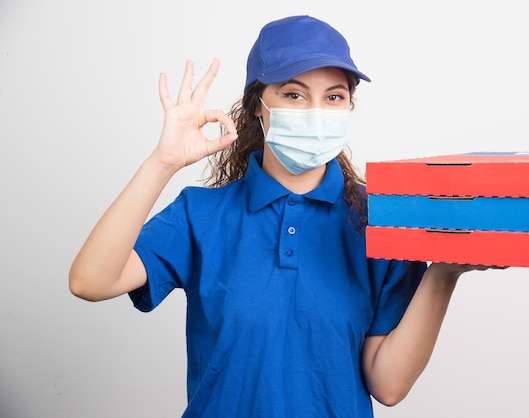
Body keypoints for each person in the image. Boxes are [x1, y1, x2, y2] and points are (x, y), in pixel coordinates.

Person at [69, 15, 490, 418]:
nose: (315, 112)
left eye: (334, 97)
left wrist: (443, 274)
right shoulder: (202, 215)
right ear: (257, 105)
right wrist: (161, 162)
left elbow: (389, 385)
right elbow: (90, 281)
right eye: (293, 94)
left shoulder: (380, 220)